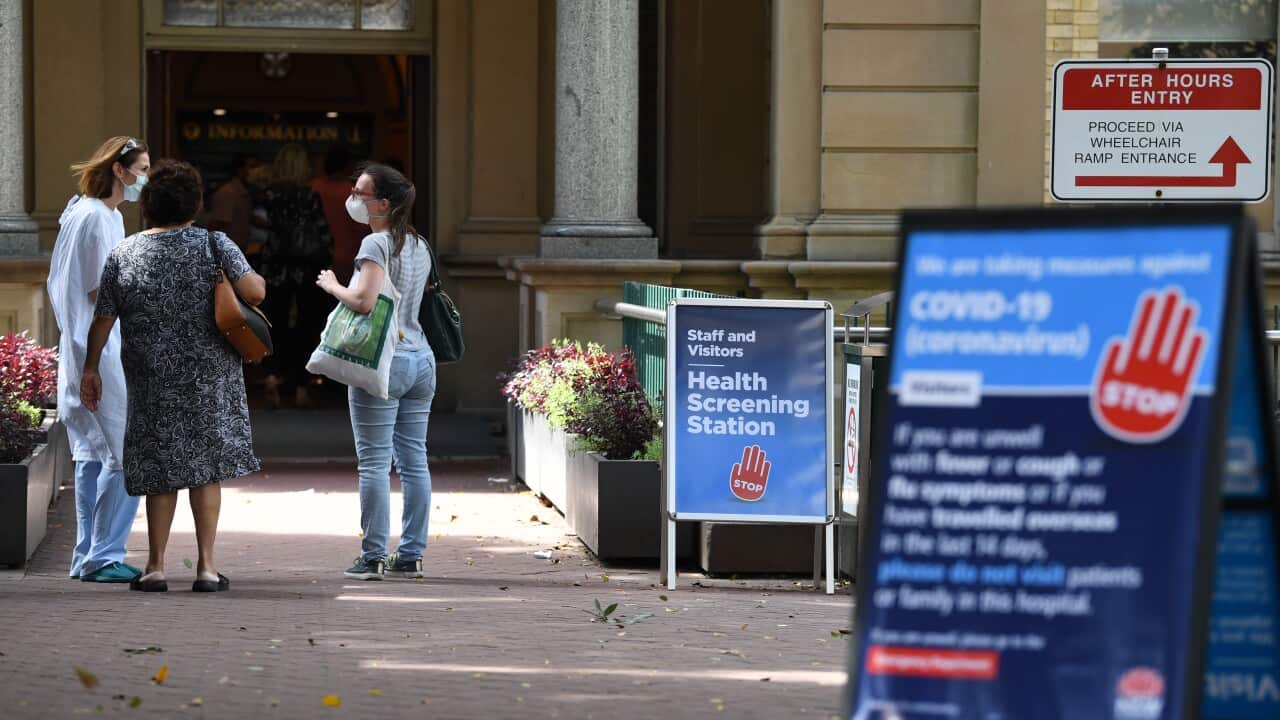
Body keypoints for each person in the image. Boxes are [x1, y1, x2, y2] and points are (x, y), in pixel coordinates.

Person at [81, 159, 266, 593]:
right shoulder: (214, 244)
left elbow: (103, 319)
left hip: (150, 377)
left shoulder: (125, 253)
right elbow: (255, 292)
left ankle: (156, 566)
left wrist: (91, 368)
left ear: (148, 205)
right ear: (195, 204)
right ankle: (205, 568)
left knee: (160, 469)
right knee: (205, 469)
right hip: (210, 375)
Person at [316, 162, 434, 580]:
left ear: (382, 204)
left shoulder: (375, 246)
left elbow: (364, 301)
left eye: (360, 194)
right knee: (414, 460)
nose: (352, 198)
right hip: (420, 358)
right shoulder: (419, 244)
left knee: (373, 462)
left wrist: (332, 285)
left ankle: (372, 556)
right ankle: (411, 554)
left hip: (383, 361)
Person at [46, 136, 149, 583]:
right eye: (142, 167)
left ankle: (86, 553)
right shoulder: (102, 218)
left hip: (77, 344)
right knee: (128, 452)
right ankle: (105, 554)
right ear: (120, 171)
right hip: (101, 349)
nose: (146, 176)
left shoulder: (80, 212)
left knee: (90, 453)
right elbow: (102, 289)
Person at [261, 143, 332, 409]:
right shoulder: (309, 195)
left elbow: (263, 228)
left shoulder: (270, 195)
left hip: (276, 266)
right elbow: (322, 232)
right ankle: (301, 385)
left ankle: (271, 376)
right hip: (305, 268)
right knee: (305, 325)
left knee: (274, 323)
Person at [310, 145, 367, 286]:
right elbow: (363, 229)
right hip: (348, 260)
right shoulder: (352, 193)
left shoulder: (313, 188)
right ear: (347, 166)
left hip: (316, 259)